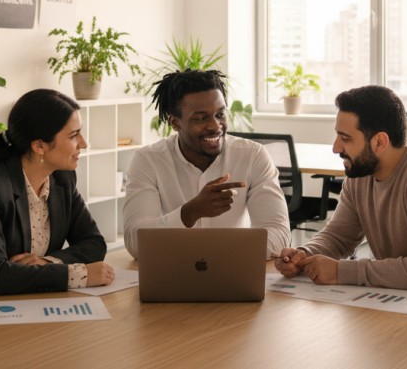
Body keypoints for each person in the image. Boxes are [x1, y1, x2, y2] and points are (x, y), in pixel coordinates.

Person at [272, 85, 407, 290]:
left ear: (379, 143)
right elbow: (338, 238)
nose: (336, 147)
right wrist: (303, 255)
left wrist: (342, 271)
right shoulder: (360, 175)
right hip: (405, 297)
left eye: (345, 138)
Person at [0, 89, 113, 300]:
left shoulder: (62, 179)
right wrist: (78, 275)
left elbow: (93, 243)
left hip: (24, 301)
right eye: (73, 135)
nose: (83, 144)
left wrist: (47, 262)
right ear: (39, 146)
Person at [123, 69, 290, 259]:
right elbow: (135, 242)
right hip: (175, 272)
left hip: (235, 272)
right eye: (201, 118)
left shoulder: (253, 156)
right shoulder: (148, 161)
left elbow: (279, 235)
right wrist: (188, 213)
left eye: (220, 114)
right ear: (175, 123)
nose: (215, 126)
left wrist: (218, 255)